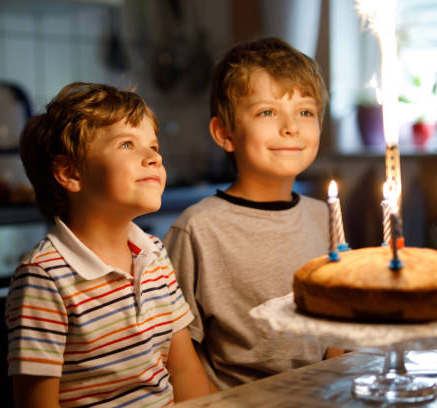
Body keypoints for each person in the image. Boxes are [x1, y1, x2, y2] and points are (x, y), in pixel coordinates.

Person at [5, 82, 213, 407]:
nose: (153, 158)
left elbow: (187, 376)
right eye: (128, 145)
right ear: (70, 172)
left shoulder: (154, 255)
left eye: (154, 147)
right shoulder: (44, 277)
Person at [163, 37, 343, 390]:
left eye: (305, 112)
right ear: (225, 133)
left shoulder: (326, 217)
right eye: (267, 112)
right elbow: (175, 349)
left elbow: (334, 327)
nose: (291, 127)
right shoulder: (197, 230)